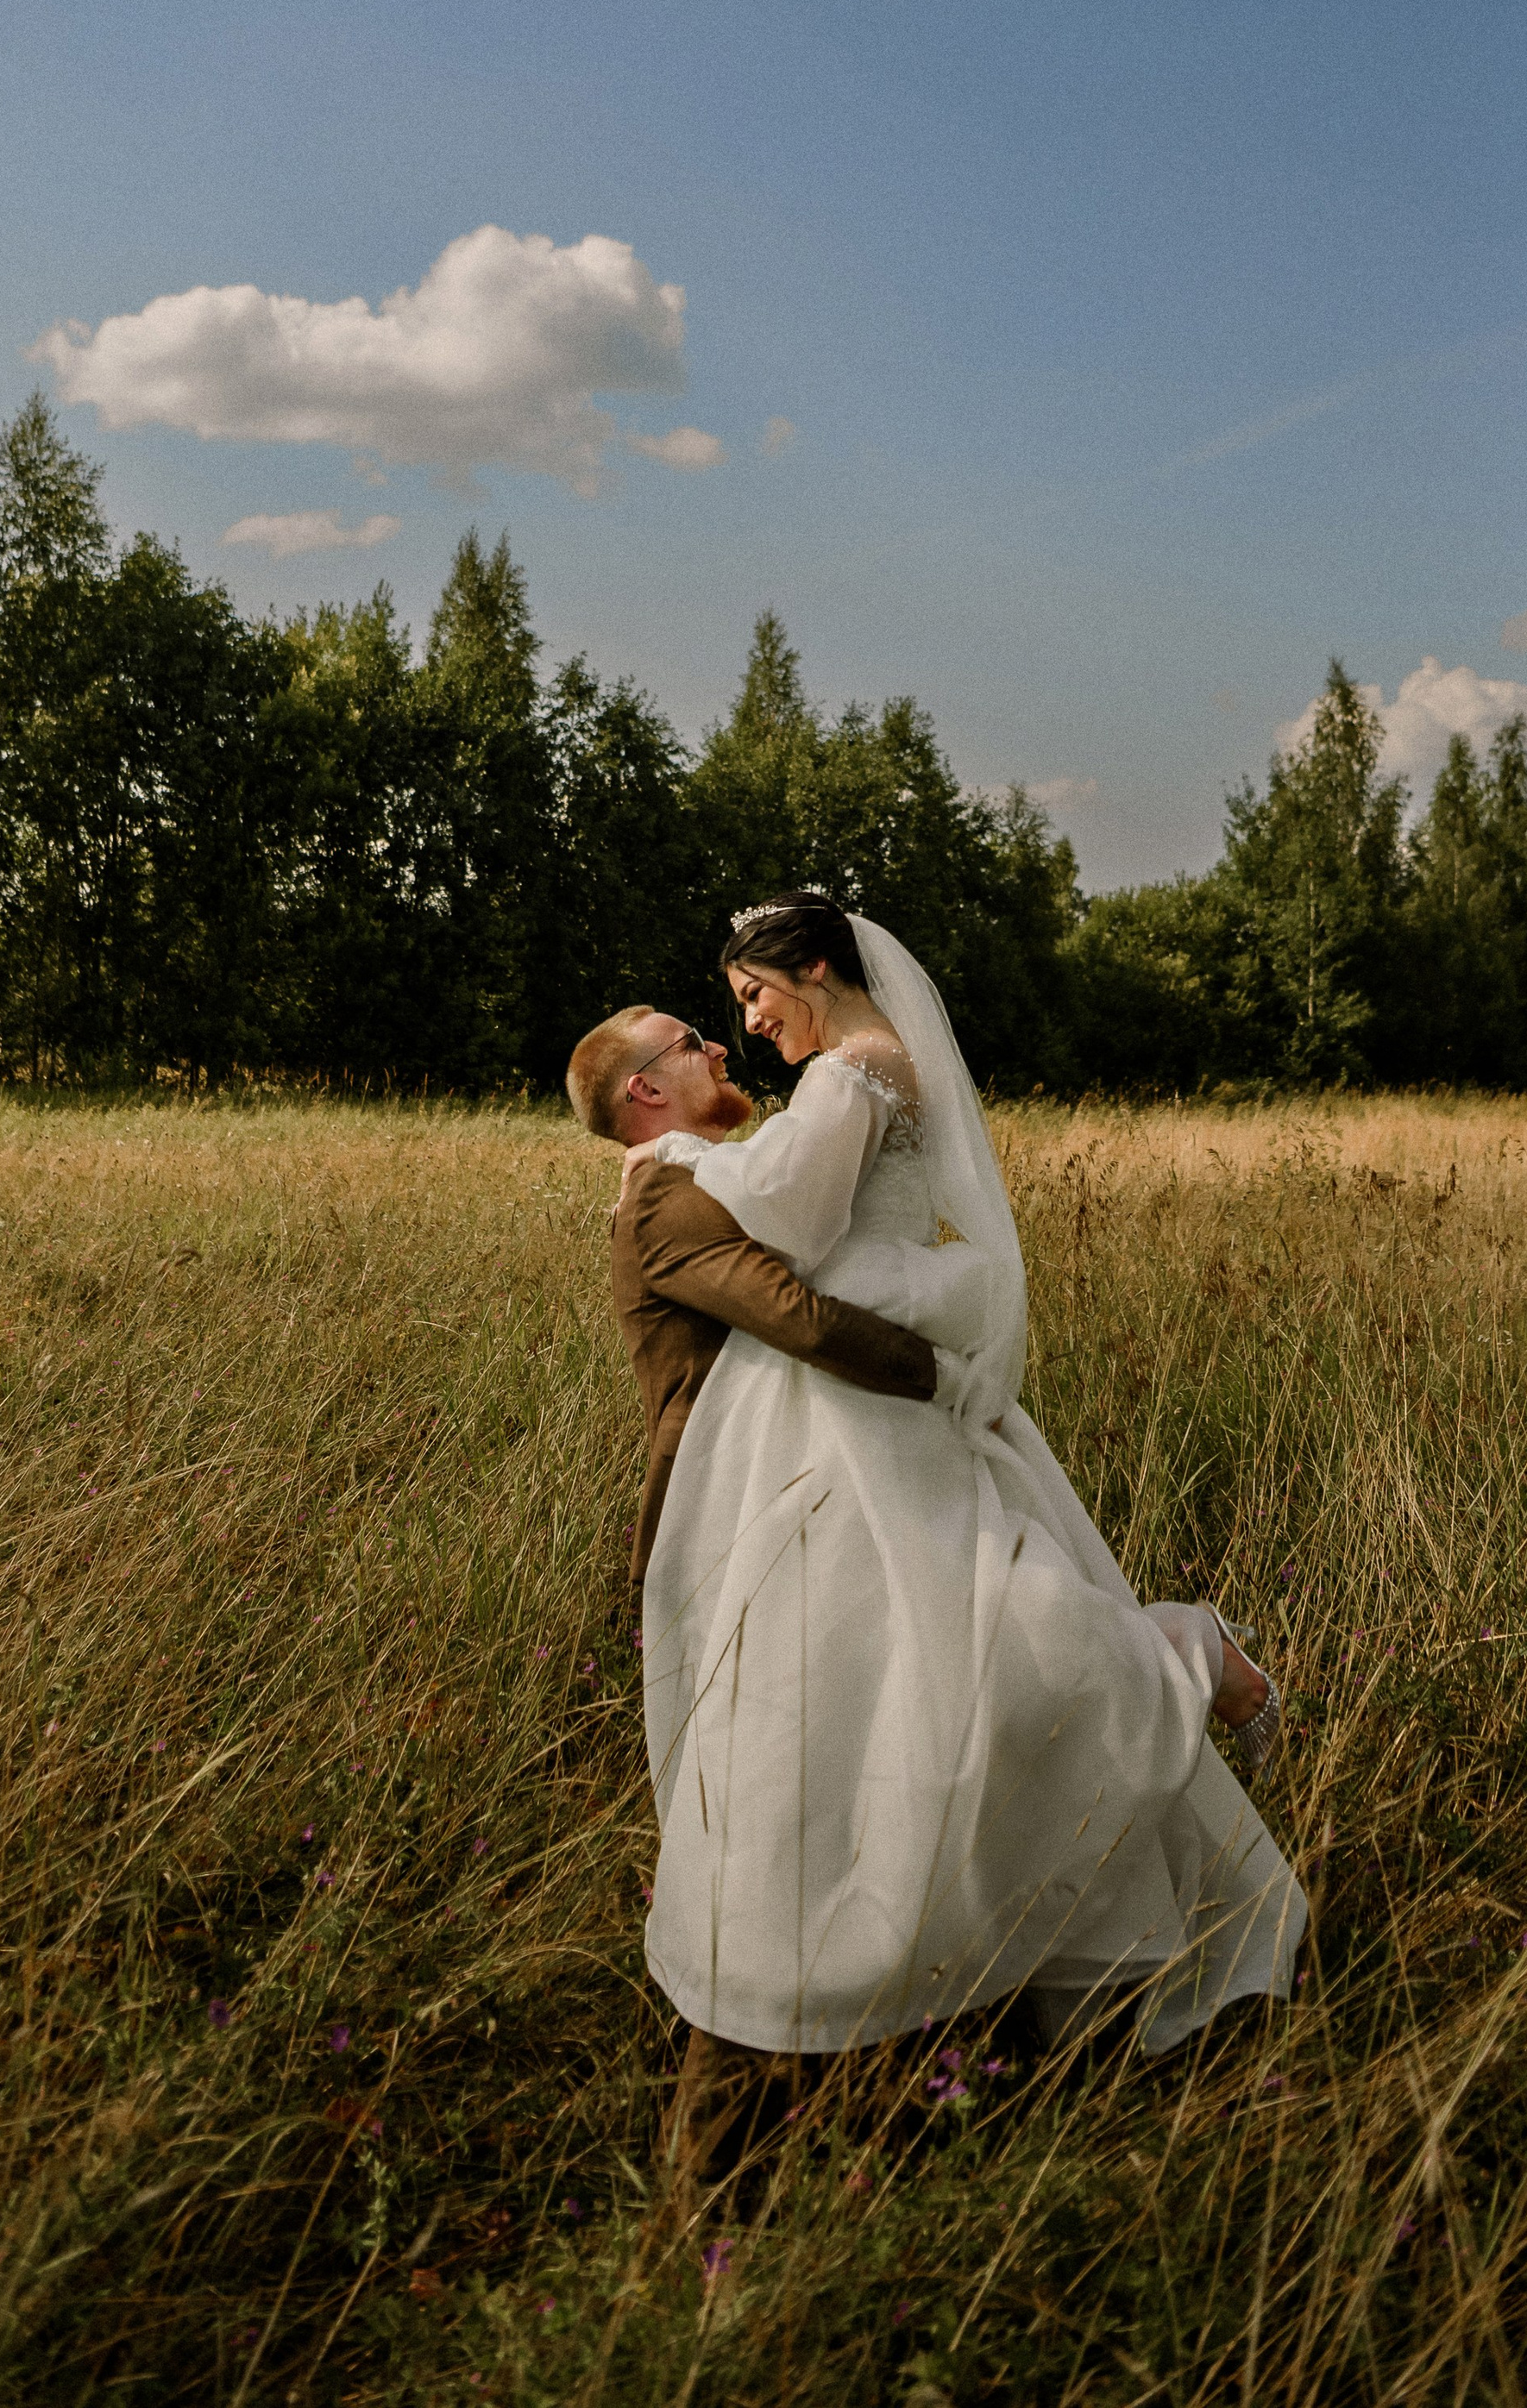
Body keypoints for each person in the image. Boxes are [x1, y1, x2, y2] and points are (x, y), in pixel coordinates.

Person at [622, 894, 1305, 2065]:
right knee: (909, 1650)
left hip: (858, 1383)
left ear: (816, 967)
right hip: (850, 1385)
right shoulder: (863, 1068)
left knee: (962, 1635)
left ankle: (1184, 1657)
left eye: (754, 995)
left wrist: (682, 1155)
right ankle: (937, 1936)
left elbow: (793, 1218)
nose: (749, 1024)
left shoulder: (851, 1073)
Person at [565, 996, 957, 2184]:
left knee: (828, 1797)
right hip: (728, 1532)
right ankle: (710, 2168)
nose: (718, 1046)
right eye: (690, 1041)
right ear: (644, 1089)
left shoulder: (698, 1176)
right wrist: (949, 1369)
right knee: (762, 1827)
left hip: (791, 1521)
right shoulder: (662, 1198)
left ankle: (860, 2086)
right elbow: (789, 1314)